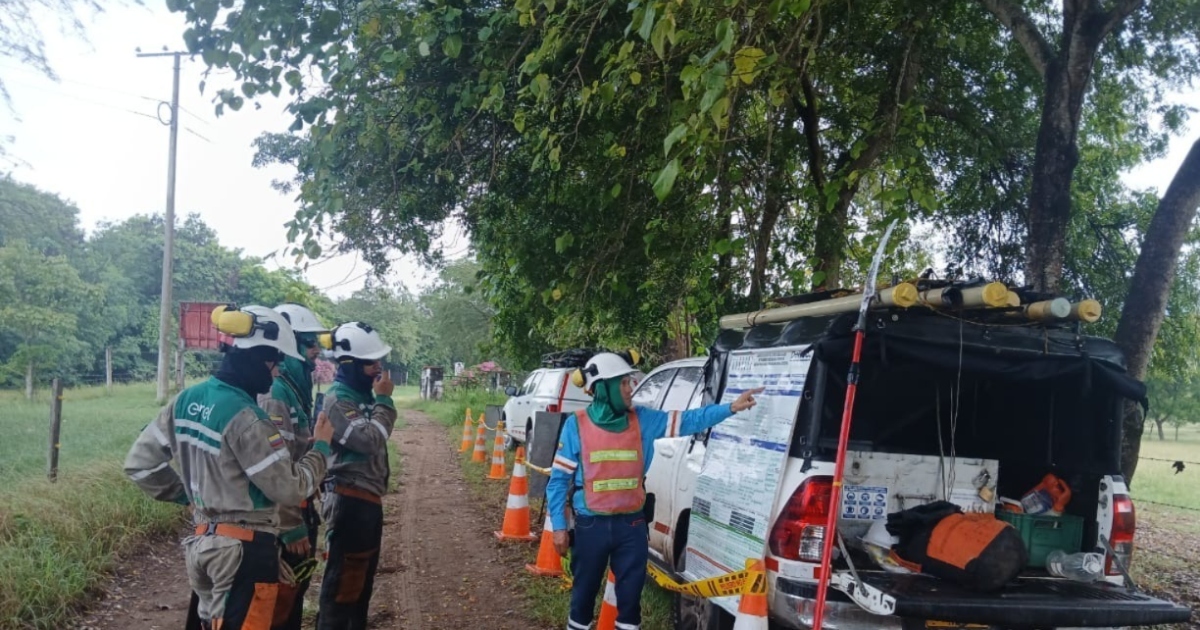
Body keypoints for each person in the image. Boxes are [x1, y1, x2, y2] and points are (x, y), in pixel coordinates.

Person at [124, 305, 333, 630]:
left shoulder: (184, 400)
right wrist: (320, 447)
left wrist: (189, 498)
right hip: (244, 552)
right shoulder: (248, 419)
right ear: (254, 357)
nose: (276, 370)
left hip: (202, 544)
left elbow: (140, 465)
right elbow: (289, 488)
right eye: (272, 361)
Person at [547, 352, 763, 630]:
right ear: (603, 388)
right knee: (582, 599)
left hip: (632, 526)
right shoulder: (575, 425)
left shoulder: (644, 420)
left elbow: (690, 420)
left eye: (629, 382)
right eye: (623, 383)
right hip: (591, 527)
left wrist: (730, 408)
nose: (630, 389)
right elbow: (558, 481)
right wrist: (560, 527)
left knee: (630, 604)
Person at [316, 321, 397, 630]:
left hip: (366, 502)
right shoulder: (339, 400)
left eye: (379, 361)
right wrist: (385, 402)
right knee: (342, 588)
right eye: (370, 363)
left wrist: (379, 403)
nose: (378, 369)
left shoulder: (360, 396)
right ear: (349, 365)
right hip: (349, 500)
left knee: (359, 586)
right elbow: (367, 441)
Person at [259, 302, 329, 629]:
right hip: (286, 517)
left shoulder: (294, 390)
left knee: (296, 592)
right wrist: (290, 523)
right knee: (282, 601)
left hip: (302, 506)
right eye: (310, 342)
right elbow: (277, 464)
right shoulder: (276, 394)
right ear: (290, 346)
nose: (317, 350)